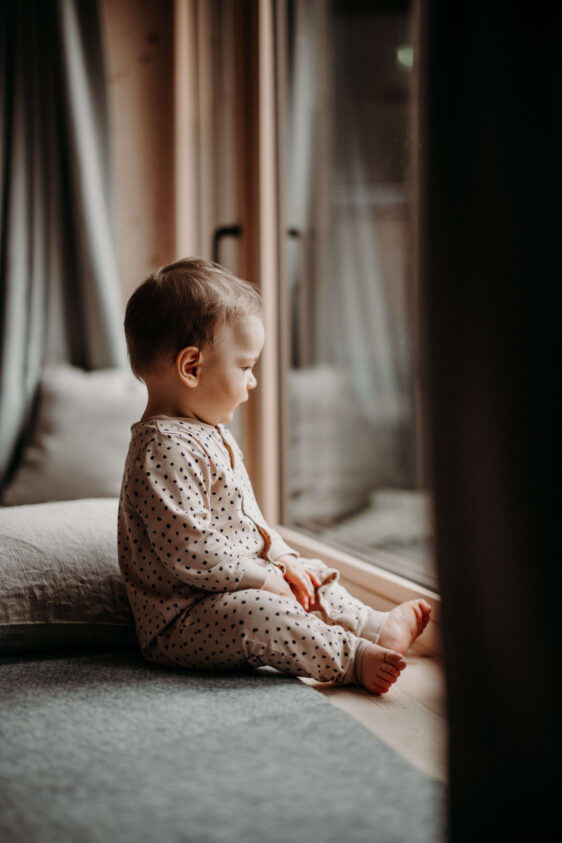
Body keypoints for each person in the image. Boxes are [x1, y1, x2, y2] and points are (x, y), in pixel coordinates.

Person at [118, 257, 431, 694]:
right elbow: (190, 549)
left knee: (311, 571)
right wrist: (263, 578)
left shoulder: (210, 433)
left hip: (236, 584)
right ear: (191, 367)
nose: (253, 382)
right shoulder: (162, 447)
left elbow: (251, 521)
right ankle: (350, 659)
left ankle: (374, 626)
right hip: (185, 618)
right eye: (245, 367)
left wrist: (282, 559)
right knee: (261, 613)